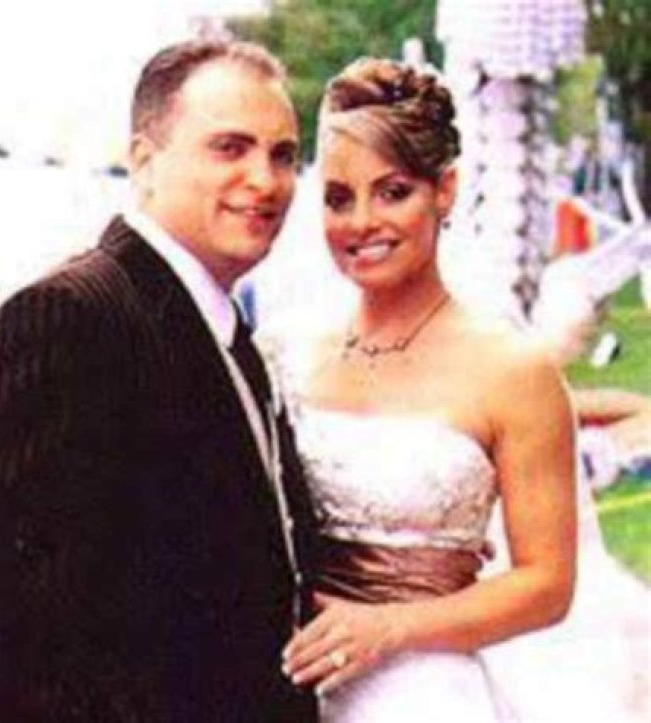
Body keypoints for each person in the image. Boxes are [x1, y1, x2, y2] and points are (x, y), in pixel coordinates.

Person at [0, 40, 318, 722]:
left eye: (282, 155)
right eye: (230, 148)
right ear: (145, 161)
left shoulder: (229, 338)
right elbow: (19, 629)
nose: (265, 180)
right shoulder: (69, 317)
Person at [267, 58, 577, 722]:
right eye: (339, 198)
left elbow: (548, 584)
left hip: (425, 694)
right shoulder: (285, 350)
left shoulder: (513, 370)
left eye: (393, 191)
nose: (362, 222)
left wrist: (390, 627)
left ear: (446, 190)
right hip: (290, 684)